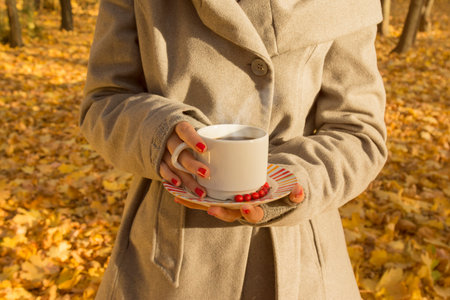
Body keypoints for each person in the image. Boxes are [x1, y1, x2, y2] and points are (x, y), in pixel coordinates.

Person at [80, 0, 388, 298]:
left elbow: (359, 131)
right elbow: (105, 98)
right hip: (171, 261)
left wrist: (292, 180)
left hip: (301, 260)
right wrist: (160, 133)